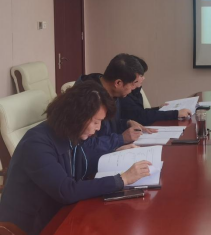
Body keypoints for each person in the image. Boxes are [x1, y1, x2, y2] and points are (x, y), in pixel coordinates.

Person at [0, 81, 152, 235]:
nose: (98, 127)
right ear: (77, 116)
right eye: (96, 121)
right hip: (29, 227)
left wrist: (115, 153)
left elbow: (82, 164)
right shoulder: (36, 144)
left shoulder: (68, 134)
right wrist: (122, 179)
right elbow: (66, 191)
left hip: (60, 212)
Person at [77, 54, 156, 172]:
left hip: (110, 153)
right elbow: (84, 146)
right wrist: (121, 139)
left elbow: (108, 126)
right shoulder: (88, 99)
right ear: (118, 83)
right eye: (133, 83)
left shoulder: (111, 92)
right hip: (90, 168)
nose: (134, 88)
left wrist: (127, 123)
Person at [119, 56, 191, 125]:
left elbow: (140, 112)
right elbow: (141, 116)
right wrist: (175, 114)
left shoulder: (136, 90)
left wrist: (158, 108)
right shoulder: (124, 94)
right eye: (141, 75)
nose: (143, 78)